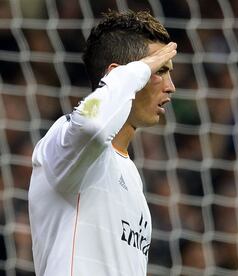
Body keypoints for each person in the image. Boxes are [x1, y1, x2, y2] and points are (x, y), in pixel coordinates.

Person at [28, 10, 177, 276]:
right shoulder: (63, 143)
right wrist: (139, 70)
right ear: (120, 76)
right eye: (159, 70)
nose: (170, 86)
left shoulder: (131, 176)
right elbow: (93, 125)